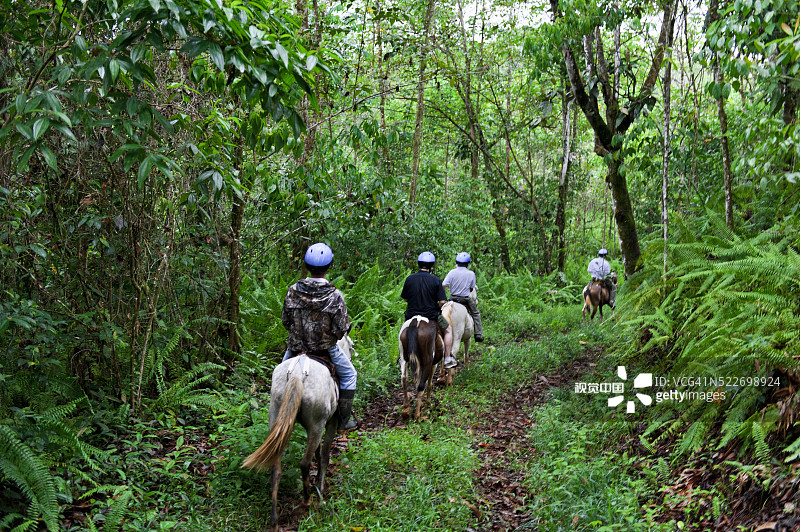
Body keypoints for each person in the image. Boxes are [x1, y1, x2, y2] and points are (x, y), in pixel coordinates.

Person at [281, 242, 358, 432]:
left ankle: (276, 412)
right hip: (326, 349)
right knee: (350, 375)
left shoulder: (292, 290)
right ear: (329, 267)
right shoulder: (335, 295)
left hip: (295, 348)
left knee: (279, 376)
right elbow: (341, 330)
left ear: (307, 266)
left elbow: (285, 321)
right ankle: (343, 422)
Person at [401, 251, 456, 369]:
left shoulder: (409, 279)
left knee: (403, 332)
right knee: (448, 331)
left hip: (411, 315)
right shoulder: (436, 280)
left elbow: (405, 298)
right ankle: (447, 358)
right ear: (431, 266)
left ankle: (401, 357)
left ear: (419, 264)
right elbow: (442, 302)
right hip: (430, 315)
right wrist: (435, 306)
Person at [442, 252, 484, 342]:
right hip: (465, 299)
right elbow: (472, 288)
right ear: (467, 263)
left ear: (457, 262)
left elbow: (443, 285)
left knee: (441, 311)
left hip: (452, 298)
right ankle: (478, 334)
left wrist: (443, 296)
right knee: (476, 314)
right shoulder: (471, 273)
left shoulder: (452, 272)